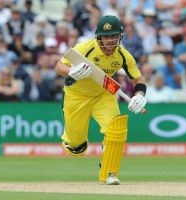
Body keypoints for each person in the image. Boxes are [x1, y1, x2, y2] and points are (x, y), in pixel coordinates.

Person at [55, 15, 147, 185]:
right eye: (106, 36)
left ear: (120, 36)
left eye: (114, 36)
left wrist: (139, 95)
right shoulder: (85, 48)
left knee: (116, 130)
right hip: (76, 96)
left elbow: (138, 79)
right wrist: (70, 71)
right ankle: (73, 142)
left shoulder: (123, 56)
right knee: (77, 147)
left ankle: (109, 171)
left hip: (104, 94)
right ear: (98, 37)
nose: (110, 40)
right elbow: (59, 66)